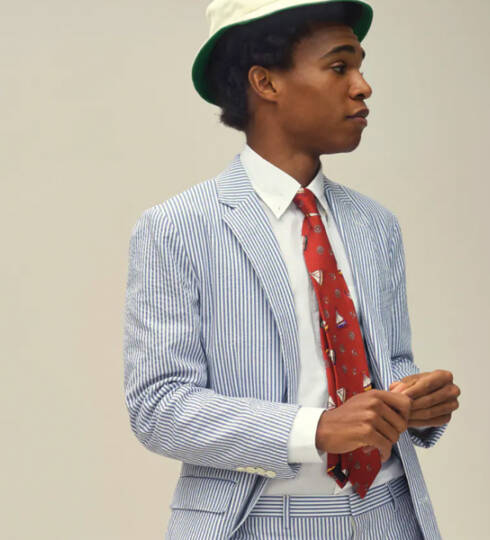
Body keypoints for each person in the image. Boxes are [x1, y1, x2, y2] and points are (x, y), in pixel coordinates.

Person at [122, 1, 461, 538]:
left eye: (360, 66)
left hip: (390, 513)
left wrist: (415, 399)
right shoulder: (178, 227)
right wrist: (315, 430)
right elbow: (159, 406)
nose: (363, 87)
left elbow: (388, 361)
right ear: (266, 82)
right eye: (339, 66)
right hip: (257, 521)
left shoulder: (375, 225)